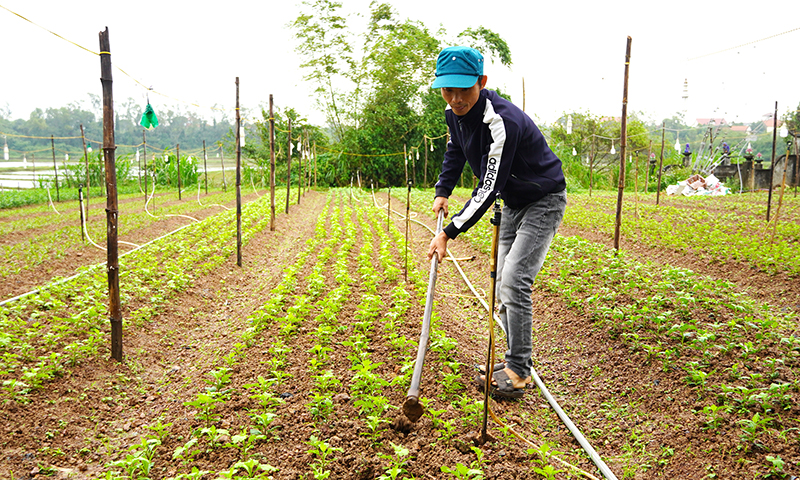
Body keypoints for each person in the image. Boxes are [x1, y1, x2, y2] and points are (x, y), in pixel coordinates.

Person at [426, 46, 567, 399]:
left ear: (482, 82)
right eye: (448, 90)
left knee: (514, 279)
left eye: (464, 89)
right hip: (514, 203)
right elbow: (455, 150)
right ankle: (510, 360)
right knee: (503, 284)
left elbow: (488, 187)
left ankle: (519, 370)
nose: (456, 99)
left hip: (542, 200)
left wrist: (449, 231)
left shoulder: (502, 121)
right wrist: (444, 189)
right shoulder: (452, 113)